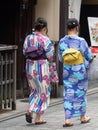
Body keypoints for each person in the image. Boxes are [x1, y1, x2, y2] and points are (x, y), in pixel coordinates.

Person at [58, 18, 93, 127]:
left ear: (67, 28)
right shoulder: (81, 41)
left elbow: (60, 58)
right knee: (81, 93)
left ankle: (67, 119)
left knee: (68, 93)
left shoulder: (62, 41)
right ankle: (82, 117)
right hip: (80, 71)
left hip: (67, 71)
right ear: (77, 28)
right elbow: (89, 56)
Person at [23, 17, 56, 125]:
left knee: (34, 90)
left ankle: (31, 111)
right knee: (43, 92)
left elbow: (24, 51)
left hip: (30, 66)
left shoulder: (28, 38)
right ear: (45, 28)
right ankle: (36, 116)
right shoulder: (45, 40)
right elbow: (50, 56)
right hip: (42, 67)